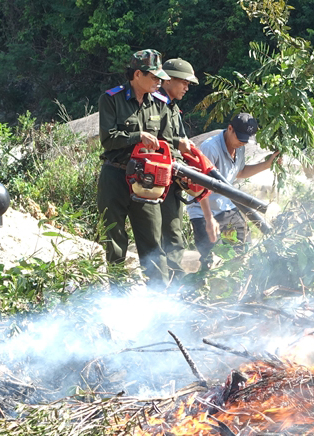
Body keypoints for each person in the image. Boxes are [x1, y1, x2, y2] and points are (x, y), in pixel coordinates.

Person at [97, 49, 180, 283]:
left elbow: (169, 144)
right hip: (116, 176)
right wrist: (138, 136)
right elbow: (108, 138)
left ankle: (160, 299)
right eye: (154, 77)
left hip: (148, 183)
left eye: (160, 78)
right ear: (136, 75)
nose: (159, 82)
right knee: (114, 242)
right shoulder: (111, 99)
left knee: (153, 243)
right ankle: (118, 296)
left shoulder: (161, 105)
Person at [186, 113, 279, 271]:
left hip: (227, 206)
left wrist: (266, 165)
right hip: (204, 210)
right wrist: (209, 219)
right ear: (230, 129)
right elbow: (199, 185)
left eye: (245, 140)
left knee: (243, 252)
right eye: (240, 138)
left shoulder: (239, 147)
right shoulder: (210, 148)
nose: (242, 143)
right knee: (212, 261)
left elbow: (240, 172)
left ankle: (237, 290)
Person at [157, 59, 198, 284]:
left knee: (174, 227)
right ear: (169, 79)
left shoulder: (172, 107)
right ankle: (171, 279)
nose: (186, 87)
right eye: (184, 82)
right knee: (170, 231)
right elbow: (157, 139)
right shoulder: (157, 105)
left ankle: (171, 274)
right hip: (160, 177)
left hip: (174, 176)